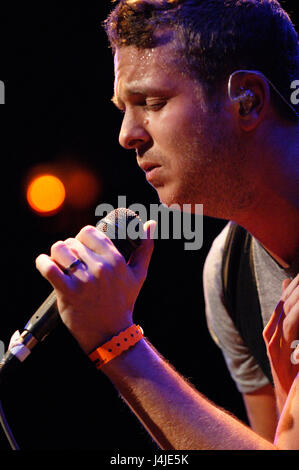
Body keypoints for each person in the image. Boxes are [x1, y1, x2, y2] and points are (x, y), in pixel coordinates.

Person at [32, 0, 299, 449]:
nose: (127, 134)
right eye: (123, 107)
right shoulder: (230, 278)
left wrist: (116, 340)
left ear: (248, 99)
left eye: (152, 102)